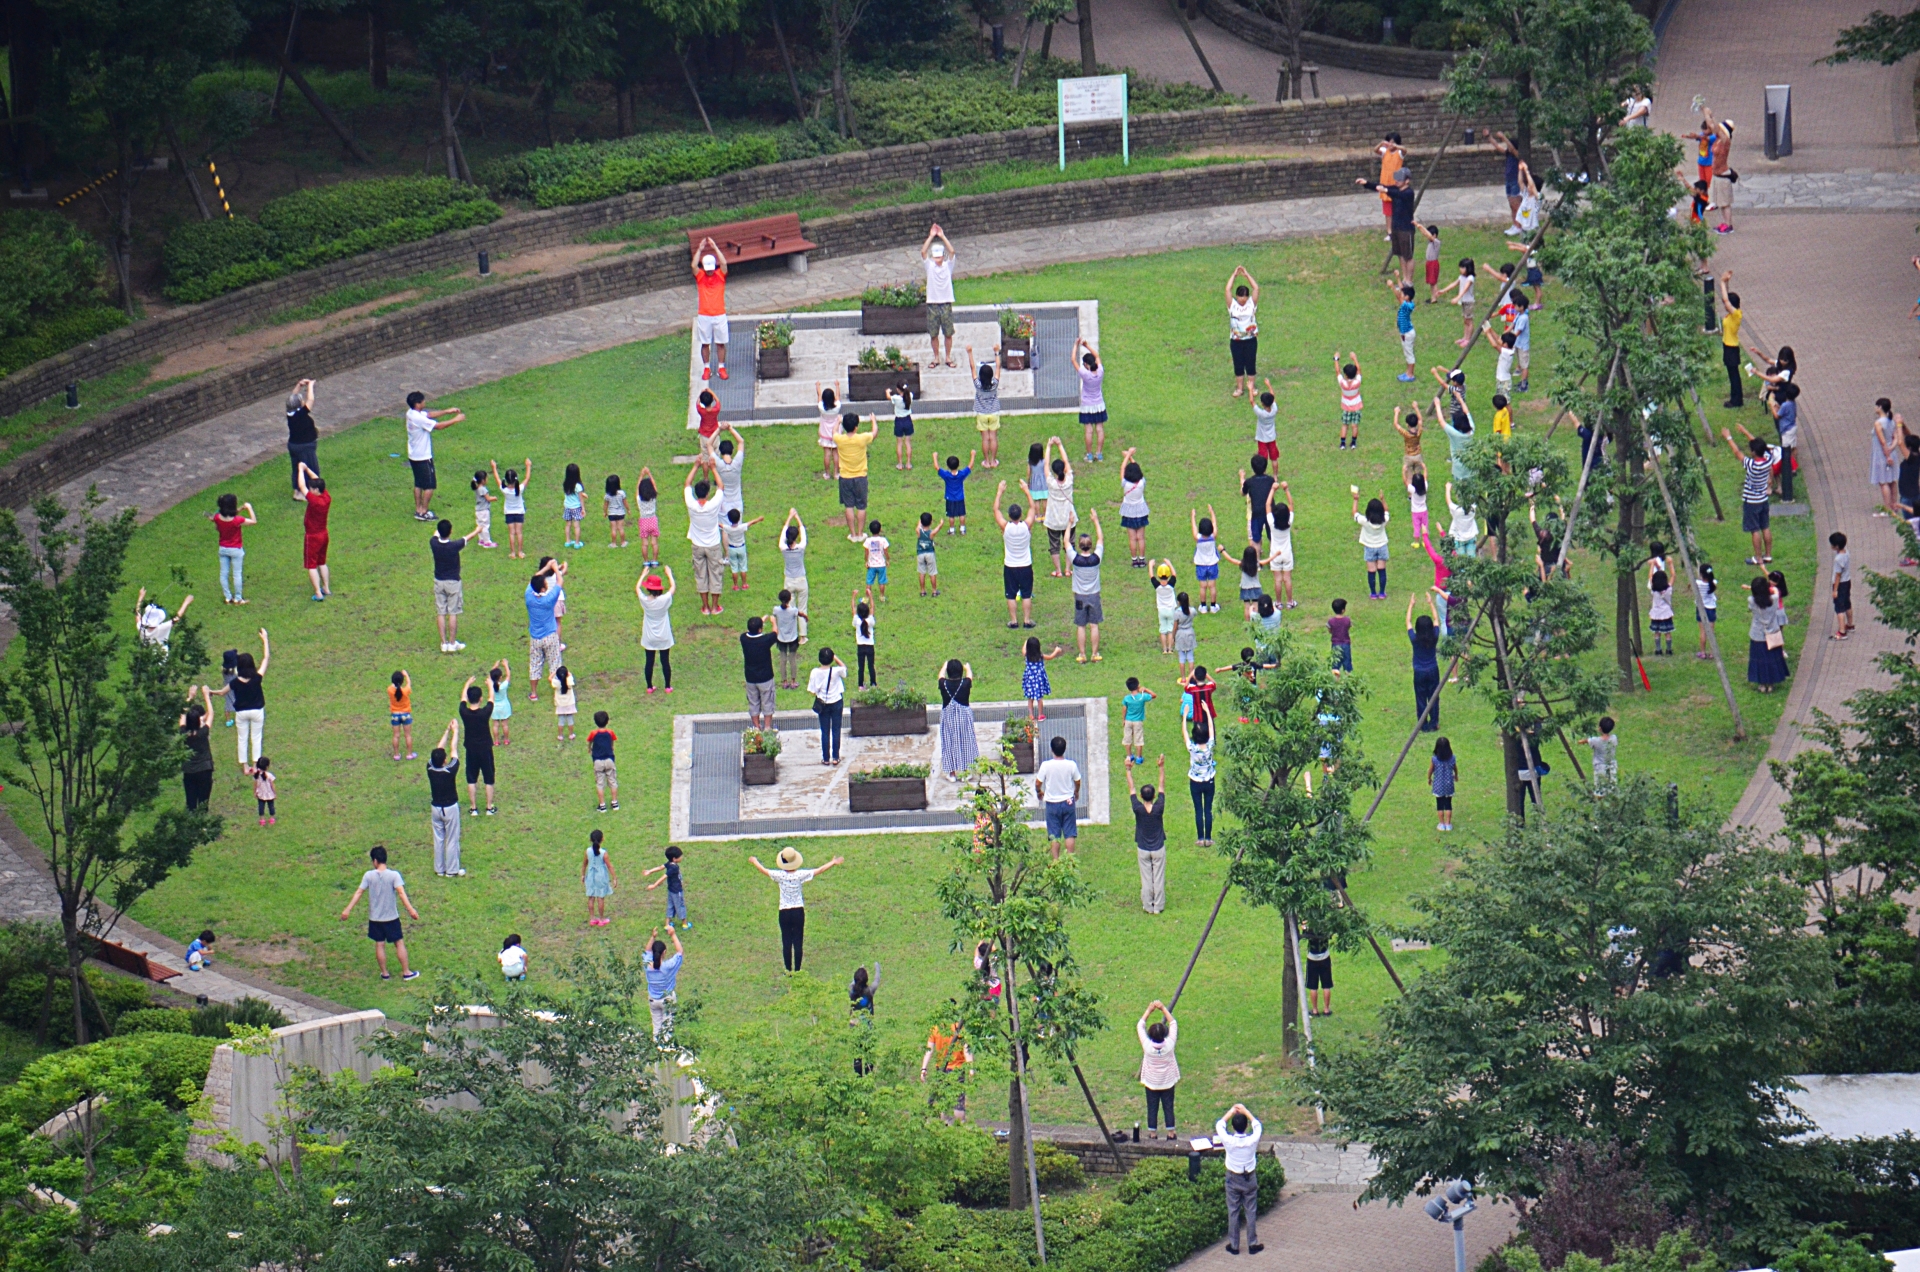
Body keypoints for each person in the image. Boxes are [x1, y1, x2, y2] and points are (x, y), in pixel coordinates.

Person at [750, 846, 843, 972]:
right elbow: (819, 870)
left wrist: (755, 861)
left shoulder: (780, 876)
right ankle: (798, 970)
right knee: (798, 942)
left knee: (786, 942)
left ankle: (788, 970)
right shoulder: (800, 874)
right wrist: (832, 862)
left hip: (784, 911)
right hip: (798, 911)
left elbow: (764, 870)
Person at [339, 845, 420, 980]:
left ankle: (384, 973)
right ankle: (406, 972)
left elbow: (359, 892)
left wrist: (347, 909)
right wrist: (411, 910)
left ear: (375, 860)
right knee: (399, 943)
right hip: (391, 917)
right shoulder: (394, 875)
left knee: (379, 944)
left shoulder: (368, 876)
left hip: (375, 918)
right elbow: (401, 892)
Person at [403, 391, 463, 521]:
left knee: (418, 483)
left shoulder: (411, 413)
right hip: (423, 456)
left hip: (414, 455)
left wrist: (447, 411)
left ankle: (418, 509)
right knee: (429, 485)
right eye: (423, 401)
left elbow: (429, 415)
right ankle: (424, 512)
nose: (425, 402)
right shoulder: (419, 419)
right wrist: (455, 419)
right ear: (418, 404)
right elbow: (439, 426)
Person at [1217, 1103, 1265, 1256]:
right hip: (1249, 1177)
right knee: (1251, 1211)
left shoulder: (1229, 1141)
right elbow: (1258, 1126)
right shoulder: (1252, 1141)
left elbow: (1219, 1125)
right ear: (1246, 1127)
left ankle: (1234, 1244)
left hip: (1233, 1178)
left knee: (1233, 1211)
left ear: (1233, 1126)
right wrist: (1246, 1112)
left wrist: (1231, 1112)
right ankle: (1252, 1243)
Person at [1722, 429, 1775, 565]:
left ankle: (1758, 558)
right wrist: (1746, 431)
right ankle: (1768, 555)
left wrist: (1729, 438)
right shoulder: (1768, 459)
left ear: (1753, 452)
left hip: (1751, 502)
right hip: (1763, 499)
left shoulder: (1751, 465)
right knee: (1765, 527)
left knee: (1754, 530)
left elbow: (1737, 453)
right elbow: (1760, 446)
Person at [1354, 168, 1416, 284]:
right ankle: (1404, 279)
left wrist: (1385, 190)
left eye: (1400, 179)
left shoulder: (1408, 193)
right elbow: (1381, 187)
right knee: (1400, 254)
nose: (1396, 181)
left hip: (1406, 229)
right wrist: (1366, 183)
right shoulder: (1395, 189)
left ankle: (1409, 281)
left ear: (1407, 181)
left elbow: (1395, 193)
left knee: (1408, 256)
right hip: (1396, 228)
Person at [429, 517, 480, 653]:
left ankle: (443, 643)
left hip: (438, 581)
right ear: (450, 532)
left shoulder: (433, 543)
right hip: (453, 582)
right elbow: (467, 538)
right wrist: (477, 530)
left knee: (441, 612)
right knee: (453, 612)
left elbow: (435, 534)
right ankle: (452, 643)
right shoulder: (453, 546)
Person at [684, 460, 726, 616]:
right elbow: (721, 487)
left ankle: (705, 606)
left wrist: (695, 466)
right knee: (715, 573)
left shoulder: (691, 504)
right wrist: (714, 468)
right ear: (708, 493)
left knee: (701, 574)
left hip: (697, 544)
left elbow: (687, 484)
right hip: (713, 544)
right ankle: (715, 607)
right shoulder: (712, 505)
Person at [1127, 755, 1168, 914]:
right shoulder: (1159, 807)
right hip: (1158, 847)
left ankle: (1147, 905)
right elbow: (1162, 787)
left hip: (1143, 848)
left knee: (1146, 878)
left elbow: (1131, 789)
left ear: (1142, 797)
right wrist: (1161, 767)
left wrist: (1128, 770)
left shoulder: (1138, 808)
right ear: (1153, 796)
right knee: (1158, 877)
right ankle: (1158, 906)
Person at [1032, 438, 1078, 577]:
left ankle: (1058, 570)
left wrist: (1049, 446)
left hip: (1053, 519)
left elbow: (1045, 467)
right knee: (1069, 543)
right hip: (1068, 518)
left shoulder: (1051, 483)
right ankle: (1068, 569)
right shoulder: (1069, 480)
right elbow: (1067, 463)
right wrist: (1060, 445)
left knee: (1054, 546)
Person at [832, 412, 880, 542]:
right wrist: (873, 420)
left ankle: (853, 534)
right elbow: (874, 432)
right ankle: (860, 533)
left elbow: (834, 432)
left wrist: (838, 421)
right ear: (856, 427)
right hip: (860, 477)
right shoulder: (862, 438)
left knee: (849, 506)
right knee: (861, 506)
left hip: (845, 477)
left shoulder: (840, 440)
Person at [523, 556, 567, 696]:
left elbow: (535, 577)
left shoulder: (529, 596)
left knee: (535, 665)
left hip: (535, 637)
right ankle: (559, 690)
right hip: (550, 636)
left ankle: (534, 693)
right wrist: (554, 568)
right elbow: (560, 581)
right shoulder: (549, 600)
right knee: (555, 664)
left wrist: (546, 568)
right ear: (543, 588)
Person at [994, 482, 1036, 628]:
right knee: (1026, 593)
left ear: (1010, 516)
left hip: (1010, 566)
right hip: (1025, 565)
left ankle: (1013, 621)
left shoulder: (1006, 527)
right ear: (1020, 515)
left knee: (1010, 594)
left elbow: (996, 511)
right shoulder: (1026, 526)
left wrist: (999, 492)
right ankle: (1026, 620)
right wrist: (1026, 491)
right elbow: (1033, 508)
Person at [425, 718, 463, 876]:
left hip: (436, 807)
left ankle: (439, 869)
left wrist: (446, 731)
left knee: (438, 839)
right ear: (444, 761)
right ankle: (452, 870)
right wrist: (456, 732)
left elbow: (438, 749)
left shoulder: (430, 768)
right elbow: (453, 750)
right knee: (452, 839)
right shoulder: (450, 771)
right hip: (450, 807)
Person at [1035, 734, 1082, 858]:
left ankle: (1056, 861)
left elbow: (1038, 782)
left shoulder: (1046, 765)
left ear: (1051, 749)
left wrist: (1039, 792)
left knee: (1054, 834)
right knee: (1070, 832)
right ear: (1064, 749)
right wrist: (1076, 791)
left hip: (1052, 803)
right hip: (1068, 802)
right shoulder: (1071, 765)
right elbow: (1077, 781)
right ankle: (1070, 860)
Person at [1138, 1000, 1179, 1139]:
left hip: (1151, 1083)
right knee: (1168, 1106)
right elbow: (1173, 1023)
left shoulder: (1147, 1046)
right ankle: (1171, 1133)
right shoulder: (1169, 1044)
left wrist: (1149, 1010)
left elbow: (1140, 1025)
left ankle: (1153, 1133)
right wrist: (1162, 1008)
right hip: (1168, 1082)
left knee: (1152, 1107)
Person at [691, 235, 730, 379]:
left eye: (710, 268)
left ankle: (721, 367)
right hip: (704, 315)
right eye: (707, 268)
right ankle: (706, 368)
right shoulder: (700, 276)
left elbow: (724, 263)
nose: (709, 271)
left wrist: (715, 248)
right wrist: (700, 249)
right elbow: (694, 266)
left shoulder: (720, 275)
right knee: (705, 343)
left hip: (719, 314)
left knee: (720, 343)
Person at [921, 1012, 972, 1121]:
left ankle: (945, 1127)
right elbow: (967, 1049)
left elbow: (929, 1050)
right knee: (958, 1102)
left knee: (943, 1101)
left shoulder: (936, 1028)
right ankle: (960, 1128)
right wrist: (971, 1068)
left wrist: (924, 1068)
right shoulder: (959, 1028)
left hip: (941, 1068)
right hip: (958, 1068)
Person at [457, 678, 496, 815]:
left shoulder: (464, 712)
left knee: (471, 778)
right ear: (480, 699)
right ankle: (489, 807)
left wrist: (466, 684)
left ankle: (473, 808)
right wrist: (490, 685)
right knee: (489, 778)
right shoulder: (484, 713)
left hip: (471, 749)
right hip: (485, 749)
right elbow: (491, 699)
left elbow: (462, 699)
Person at [231, 631, 270, 767]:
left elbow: (222, 692)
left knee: (242, 739)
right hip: (257, 711)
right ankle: (255, 765)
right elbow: (266, 658)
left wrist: (209, 692)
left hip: (241, 712)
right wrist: (265, 639)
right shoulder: (257, 678)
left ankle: (245, 766)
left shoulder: (235, 682)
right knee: (256, 738)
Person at [209, 493, 256, 605]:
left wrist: (240, 509)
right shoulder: (237, 520)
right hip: (236, 549)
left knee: (223, 574)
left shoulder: (217, 518)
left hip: (223, 549)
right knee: (237, 574)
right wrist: (249, 508)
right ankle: (238, 598)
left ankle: (228, 597)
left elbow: (223, 516)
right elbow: (253, 521)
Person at [1071, 512, 1105, 662]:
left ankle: (1082, 654)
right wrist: (1096, 520)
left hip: (1079, 595)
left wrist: (1069, 524)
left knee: (1081, 625)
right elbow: (1101, 539)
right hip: (1094, 595)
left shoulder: (1076, 560)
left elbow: (1065, 542)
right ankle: (1095, 654)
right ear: (1090, 546)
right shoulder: (1096, 558)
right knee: (1094, 625)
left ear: (1079, 546)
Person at [922, 223, 957, 368]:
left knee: (948, 333)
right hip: (933, 304)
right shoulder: (929, 266)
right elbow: (923, 252)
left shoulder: (948, 266)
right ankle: (936, 357)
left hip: (946, 303)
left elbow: (952, 251)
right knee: (933, 334)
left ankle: (948, 357)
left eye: (939, 257)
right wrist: (931, 236)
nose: (937, 260)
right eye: (935, 257)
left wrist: (942, 236)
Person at [638, 568, 677, 694]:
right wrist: (669, 574)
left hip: (649, 636)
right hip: (664, 635)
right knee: (665, 661)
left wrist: (643, 574)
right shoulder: (664, 600)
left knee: (649, 661)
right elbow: (672, 588)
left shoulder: (645, 601)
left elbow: (637, 589)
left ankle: (649, 686)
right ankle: (667, 686)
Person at [937, 658, 977, 779]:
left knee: (949, 743)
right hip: (964, 717)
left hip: (948, 717)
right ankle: (966, 771)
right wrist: (968, 668)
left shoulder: (943, 684)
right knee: (966, 742)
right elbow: (970, 675)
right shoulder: (965, 683)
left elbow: (940, 676)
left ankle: (952, 773)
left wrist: (944, 666)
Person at [1748, 576, 1789, 693]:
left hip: (1757, 634)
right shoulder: (1774, 599)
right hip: (1773, 633)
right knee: (1771, 659)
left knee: (1759, 660)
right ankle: (1770, 684)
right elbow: (1776, 591)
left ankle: (1762, 684)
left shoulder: (1751, 600)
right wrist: (1771, 589)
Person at [808, 647, 847, 765]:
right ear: (831, 659)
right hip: (837, 702)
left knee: (824, 731)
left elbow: (812, 690)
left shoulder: (815, 672)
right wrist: (836, 658)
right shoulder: (836, 671)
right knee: (836, 730)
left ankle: (825, 758)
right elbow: (844, 669)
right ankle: (835, 757)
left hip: (823, 704)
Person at [1225, 265, 1260, 396]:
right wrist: (1234, 275)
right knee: (1238, 364)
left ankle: (1252, 386)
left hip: (1250, 339)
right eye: (1241, 299)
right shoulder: (1232, 305)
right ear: (1237, 297)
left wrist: (1246, 275)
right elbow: (1227, 290)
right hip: (1236, 340)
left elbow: (1256, 288)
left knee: (1250, 362)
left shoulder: (1251, 304)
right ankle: (1239, 388)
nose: (1243, 301)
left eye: (1245, 299)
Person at [1408, 591, 1441, 730]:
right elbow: (1436, 619)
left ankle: (1423, 724)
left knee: (1420, 698)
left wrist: (1411, 605)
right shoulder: (1434, 636)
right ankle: (1434, 723)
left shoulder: (1415, 639)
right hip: (1433, 669)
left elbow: (1408, 622)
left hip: (1419, 671)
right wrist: (1431, 603)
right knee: (1434, 697)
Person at [180, 686, 216, 811]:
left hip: (189, 770)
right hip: (204, 769)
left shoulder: (183, 733)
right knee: (203, 800)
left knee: (191, 801)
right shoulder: (203, 733)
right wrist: (206, 695)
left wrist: (190, 697)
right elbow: (211, 714)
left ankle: (190, 824)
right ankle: (203, 826)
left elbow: (182, 715)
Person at [644, 927, 684, 1036]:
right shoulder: (668, 966)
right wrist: (673, 934)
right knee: (667, 1028)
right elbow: (680, 952)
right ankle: (667, 1049)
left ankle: (656, 1048)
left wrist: (652, 937)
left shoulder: (647, 965)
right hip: (667, 999)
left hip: (653, 999)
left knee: (656, 1028)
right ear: (664, 952)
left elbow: (646, 951)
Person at [1187, 702, 1216, 846]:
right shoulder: (1210, 745)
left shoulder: (1192, 748)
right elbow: (1211, 728)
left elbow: (1184, 733)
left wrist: (1184, 716)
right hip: (1209, 780)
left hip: (1195, 781)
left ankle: (1200, 838)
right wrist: (1208, 713)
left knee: (1198, 809)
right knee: (1208, 810)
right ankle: (1209, 838)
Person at [741, 615, 779, 729]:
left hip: (750, 678)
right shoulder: (765, 640)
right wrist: (773, 622)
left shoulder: (743, 638)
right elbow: (775, 633)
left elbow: (749, 632)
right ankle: (767, 728)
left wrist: (759, 622)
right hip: (766, 678)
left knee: (753, 703)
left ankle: (756, 728)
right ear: (760, 629)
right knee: (767, 702)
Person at [285, 378, 320, 496]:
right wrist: (310, 386)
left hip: (294, 445)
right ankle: (307, 492)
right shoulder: (300, 414)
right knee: (309, 468)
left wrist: (299, 385)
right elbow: (311, 399)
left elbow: (292, 397)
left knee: (297, 468)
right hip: (304, 446)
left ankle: (297, 491)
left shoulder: (290, 414)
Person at [1354, 491, 1391, 600]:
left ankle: (1373, 593)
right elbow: (1387, 511)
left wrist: (1356, 500)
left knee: (1371, 571)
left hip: (1369, 546)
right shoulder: (1384, 520)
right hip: (1382, 546)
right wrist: (1383, 499)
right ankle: (1382, 593)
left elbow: (1355, 513)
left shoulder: (1365, 521)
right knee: (1382, 570)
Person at [643, 844, 690, 930]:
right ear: (674, 859)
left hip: (670, 890)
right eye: (680, 856)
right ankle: (685, 924)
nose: (681, 857)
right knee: (680, 905)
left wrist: (650, 871)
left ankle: (667, 924)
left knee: (670, 905)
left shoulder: (669, 864)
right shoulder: (674, 868)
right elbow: (664, 877)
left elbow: (660, 867)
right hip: (677, 891)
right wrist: (654, 885)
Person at [1715, 271, 1744, 407]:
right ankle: (1735, 398)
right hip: (1728, 346)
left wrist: (1720, 282)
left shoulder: (1736, 315)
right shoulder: (1733, 314)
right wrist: (1726, 282)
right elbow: (1727, 300)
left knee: (1734, 376)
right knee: (1732, 375)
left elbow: (1726, 301)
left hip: (1731, 347)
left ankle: (1736, 400)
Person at [493, 459, 531, 559]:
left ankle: (513, 553)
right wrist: (528, 466)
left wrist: (494, 467)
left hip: (509, 513)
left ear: (506, 479)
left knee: (511, 533)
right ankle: (520, 552)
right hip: (519, 512)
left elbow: (497, 478)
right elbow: (527, 478)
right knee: (519, 532)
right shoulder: (520, 489)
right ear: (516, 479)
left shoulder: (504, 490)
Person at [1075, 338, 1107, 460]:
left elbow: (1073, 360)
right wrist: (1087, 345)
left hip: (1087, 405)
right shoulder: (1100, 371)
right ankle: (1099, 454)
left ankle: (1089, 455)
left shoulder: (1085, 374)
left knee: (1088, 430)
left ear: (1087, 365)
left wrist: (1076, 345)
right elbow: (1097, 356)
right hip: (1099, 404)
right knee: (1099, 429)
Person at [971, 350, 1003, 468]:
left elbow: (972, 368)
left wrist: (970, 353)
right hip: (994, 412)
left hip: (981, 413)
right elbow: (998, 367)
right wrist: (996, 353)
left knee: (985, 438)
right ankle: (994, 461)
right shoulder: (994, 384)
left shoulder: (978, 385)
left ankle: (987, 461)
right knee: (993, 437)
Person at [1021, 635, 1064, 722]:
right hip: (1039, 681)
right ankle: (1040, 715)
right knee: (1039, 699)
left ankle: (1031, 715)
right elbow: (1051, 657)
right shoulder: (1040, 656)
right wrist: (1056, 650)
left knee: (1030, 699)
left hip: (1029, 680)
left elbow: (1023, 650)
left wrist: (1026, 642)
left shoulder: (1026, 655)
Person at [1874, 399, 1904, 519]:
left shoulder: (1878, 423)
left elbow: (1882, 441)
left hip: (1881, 455)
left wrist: (1886, 454)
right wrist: (1891, 449)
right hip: (1892, 454)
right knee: (1892, 480)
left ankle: (1887, 509)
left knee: (1883, 481)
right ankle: (1894, 506)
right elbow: (1896, 438)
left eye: (1876, 406)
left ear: (1880, 407)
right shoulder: (1891, 421)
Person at [1490, 131, 1523, 234]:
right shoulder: (1508, 154)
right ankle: (1515, 225)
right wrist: (1489, 137)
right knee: (1512, 205)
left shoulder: (1517, 154)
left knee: (1516, 205)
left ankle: (1519, 226)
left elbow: (1512, 149)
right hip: (1508, 181)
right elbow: (1497, 146)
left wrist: (1503, 137)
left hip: (1515, 181)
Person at [723, 509, 763, 593]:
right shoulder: (742, 527)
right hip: (741, 547)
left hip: (732, 548)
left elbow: (719, 525)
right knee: (743, 566)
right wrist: (759, 519)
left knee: (734, 568)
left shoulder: (727, 528)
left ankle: (735, 585)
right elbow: (751, 523)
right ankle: (744, 584)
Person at [1191, 505, 1221, 613]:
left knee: (1202, 586)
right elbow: (1215, 524)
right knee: (1212, 586)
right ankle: (1213, 606)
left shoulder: (1197, 538)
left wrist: (1193, 517)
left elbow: (1194, 529)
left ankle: (1203, 606)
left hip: (1200, 565)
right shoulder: (1213, 537)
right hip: (1212, 563)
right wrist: (1212, 512)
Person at [587, 710, 619, 811]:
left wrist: (589, 749)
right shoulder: (610, 732)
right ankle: (614, 803)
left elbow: (590, 741)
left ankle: (602, 805)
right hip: (609, 759)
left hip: (598, 761)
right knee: (613, 781)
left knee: (600, 784)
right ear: (607, 721)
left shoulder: (593, 733)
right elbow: (612, 742)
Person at [583, 829, 615, 926]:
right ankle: (601, 919)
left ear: (590, 840)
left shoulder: (587, 851)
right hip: (601, 876)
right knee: (600, 898)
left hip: (591, 875)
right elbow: (609, 866)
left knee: (591, 897)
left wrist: (583, 874)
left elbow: (584, 864)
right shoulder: (603, 853)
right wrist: (614, 878)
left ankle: (592, 918)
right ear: (602, 839)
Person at [1334, 351, 1364, 449]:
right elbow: (1359, 371)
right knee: (1354, 425)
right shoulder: (1357, 382)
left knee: (1345, 425)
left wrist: (1336, 359)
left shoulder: (1343, 383)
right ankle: (1353, 443)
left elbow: (1337, 372)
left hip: (1346, 407)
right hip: (1356, 406)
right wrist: (1354, 358)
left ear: (1345, 375)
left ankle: (1343, 443)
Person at [1122, 677, 1154, 766]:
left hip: (1128, 720)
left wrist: (1123, 719)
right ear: (1138, 686)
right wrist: (1146, 689)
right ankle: (1139, 758)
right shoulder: (1142, 697)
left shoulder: (1127, 698)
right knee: (1138, 739)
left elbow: (1124, 709)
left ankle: (1129, 756)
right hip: (1138, 722)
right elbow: (1154, 695)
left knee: (1127, 738)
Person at [940, 451, 974, 536]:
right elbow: (970, 466)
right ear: (958, 465)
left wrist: (934, 457)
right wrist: (973, 455)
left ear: (948, 466)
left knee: (951, 515)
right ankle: (962, 529)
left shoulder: (946, 475)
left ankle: (952, 530)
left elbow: (937, 467)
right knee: (961, 514)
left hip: (950, 498)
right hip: (960, 498)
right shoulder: (961, 474)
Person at [1390, 279, 1418, 381]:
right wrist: (1397, 277)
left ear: (1407, 297)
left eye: (1403, 294)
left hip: (1407, 333)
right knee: (1407, 353)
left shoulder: (1407, 306)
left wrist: (1392, 286)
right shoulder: (1408, 303)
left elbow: (1399, 298)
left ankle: (1410, 375)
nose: (1401, 294)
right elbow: (1402, 290)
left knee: (1409, 354)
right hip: (1405, 333)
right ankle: (1408, 372)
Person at [1831, 531, 1855, 640]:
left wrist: (1835, 590)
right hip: (1847, 581)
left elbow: (1837, 576)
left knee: (1839, 607)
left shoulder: (1838, 559)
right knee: (1847, 603)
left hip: (1840, 584)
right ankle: (1850, 625)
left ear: (1836, 546)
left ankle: (1842, 631)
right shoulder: (1846, 552)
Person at [1429, 735, 1456, 831]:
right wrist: (1456, 775)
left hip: (1438, 785)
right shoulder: (1452, 758)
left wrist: (1429, 778)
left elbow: (1430, 770)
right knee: (1448, 804)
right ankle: (1448, 823)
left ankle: (1441, 823)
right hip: (1449, 784)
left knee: (1440, 804)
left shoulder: (1434, 759)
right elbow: (1455, 768)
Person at [1304, 924, 1333, 1016]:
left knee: (1313, 986)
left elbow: (1305, 934)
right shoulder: (1325, 926)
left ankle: (1315, 1010)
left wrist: (1304, 927)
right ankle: (1326, 1009)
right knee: (1326, 985)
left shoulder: (1310, 927)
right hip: (1325, 957)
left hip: (1312, 958)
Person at [851, 590, 878, 687]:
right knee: (871, 666)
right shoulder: (870, 620)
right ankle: (873, 683)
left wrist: (853, 597)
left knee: (861, 667)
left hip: (860, 646)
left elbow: (853, 609)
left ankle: (860, 685)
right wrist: (870, 595)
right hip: (870, 646)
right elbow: (872, 607)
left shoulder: (856, 620)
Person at [1582, 716, 1619, 787]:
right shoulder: (1614, 738)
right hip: (1612, 767)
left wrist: (1581, 741)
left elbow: (1587, 740)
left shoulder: (1596, 740)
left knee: (1599, 789)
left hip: (1600, 768)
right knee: (1612, 788)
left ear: (1600, 728)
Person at [913, 511, 943, 597]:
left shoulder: (918, 531)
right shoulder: (931, 533)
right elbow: (937, 529)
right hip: (930, 553)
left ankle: (922, 591)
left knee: (922, 572)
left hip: (920, 553)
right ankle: (934, 591)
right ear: (930, 522)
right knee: (932, 572)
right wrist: (940, 524)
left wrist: (920, 521)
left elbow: (918, 526)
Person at [888, 383, 915, 470]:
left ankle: (900, 464)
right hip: (908, 420)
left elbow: (889, 397)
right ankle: (908, 464)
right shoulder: (910, 395)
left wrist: (887, 392)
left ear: (898, 389)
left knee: (899, 443)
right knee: (908, 442)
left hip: (899, 421)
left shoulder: (896, 398)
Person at [551, 665, 578, 740]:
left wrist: (554, 672)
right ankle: (571, 734)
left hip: (560, 705)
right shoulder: (569, 681)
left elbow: (549, 678)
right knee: (570, 719)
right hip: (570, 703)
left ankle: (560, 735)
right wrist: (567, 672)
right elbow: (570, 675)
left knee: (561, 721)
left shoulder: (556, 683)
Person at [1328, 597, 1353, 672]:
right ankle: (1348, 679)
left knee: (1335, 664)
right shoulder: (1347, 620)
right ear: (1343, 610)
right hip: (1346, 644)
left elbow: (1330, 630)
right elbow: (1348, 627)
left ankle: (1336, 680)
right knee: (1347, 663)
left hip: (1335, 644)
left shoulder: (1331, 621)